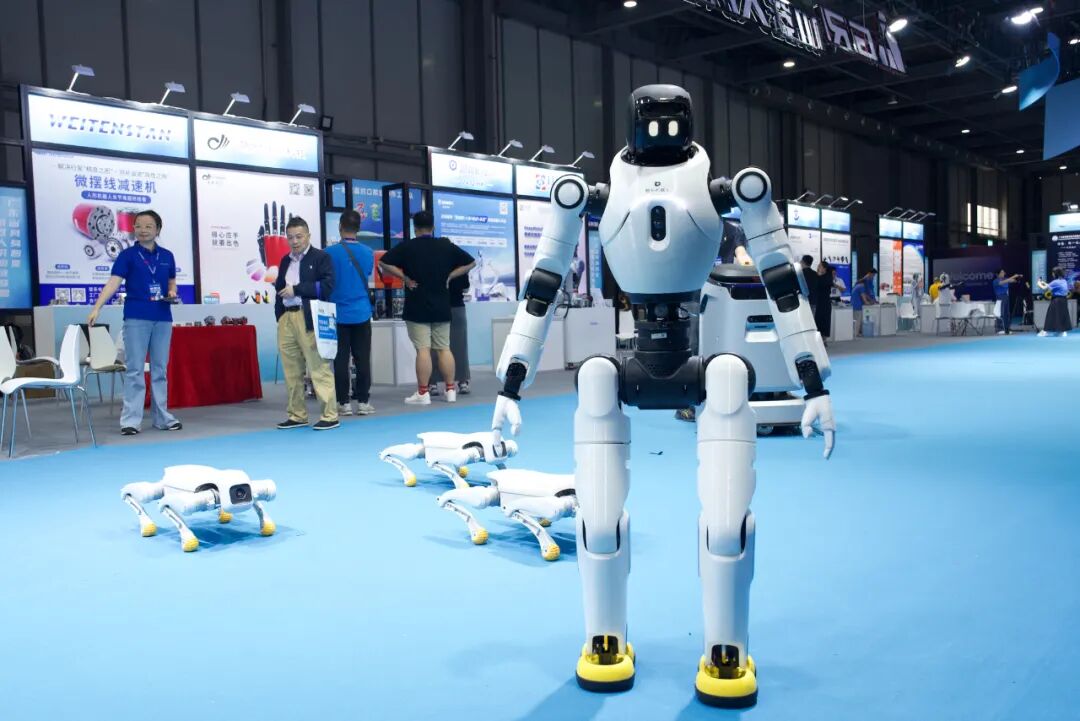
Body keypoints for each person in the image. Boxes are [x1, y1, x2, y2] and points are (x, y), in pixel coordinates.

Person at [87, 209, 182, 436]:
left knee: (160, 370)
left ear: (158, 229)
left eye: (148, 226)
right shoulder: (127, 255)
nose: (142, 230)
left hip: (162, 317)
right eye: (138, 226)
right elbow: (113, 283)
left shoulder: (167, 256)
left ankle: (162, 417)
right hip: (136, 317)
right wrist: (97, 307)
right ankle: (130, 420)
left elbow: (172, 281)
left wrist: (172, 291)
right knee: (135, 370)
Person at [379, 210, 476, 405]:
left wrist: (405, 278)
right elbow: (471, 262)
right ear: (433, 227)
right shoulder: (445, 246)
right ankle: (451, 390)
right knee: (444, 348)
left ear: (415, 228)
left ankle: (423, 393)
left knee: (423, 350)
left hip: (417, 304)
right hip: (442, 305)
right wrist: (450, 276)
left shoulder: (408, 246)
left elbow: (384, 262)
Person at [274, 216, 339, 430]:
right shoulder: (285, 260)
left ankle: (330, 415)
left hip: (310, 317)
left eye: (299, 236)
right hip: (287, 318)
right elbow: (279, 289)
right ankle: (297, 415)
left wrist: (297, 289)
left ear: (308, 236)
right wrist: (280, 316)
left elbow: (327, 286)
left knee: (318, 366)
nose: (294, 241)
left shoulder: (321, 257)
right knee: (291, 370)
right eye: (290, 237)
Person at [325, 209, 375, 416]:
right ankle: (363, 402)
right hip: (362, 313)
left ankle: (343, 403)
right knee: (362, 359)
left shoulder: (328, 253)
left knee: (340, 360)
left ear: (340, 227)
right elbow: (367, 275)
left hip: (337, 314)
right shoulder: (368, 252)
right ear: (358, 228)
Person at [430, 273, 472, 395]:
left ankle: (433, 383)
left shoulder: (434, 265)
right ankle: (462, 382)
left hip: (437, 307)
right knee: (459, 346)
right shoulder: (460, 266)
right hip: (455, 307)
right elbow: (465, 288)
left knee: (435, 346)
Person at [1038, 267, 1072, 337]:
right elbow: (1051, 285)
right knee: (1062, 315)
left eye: (1053, 272)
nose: (1052, 274)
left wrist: (1038, 283)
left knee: (1050, 315)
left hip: (1056, 300)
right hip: (1064, 300)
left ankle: (1045, 332)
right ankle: (1062, 332)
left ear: (1056, 273)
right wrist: (1044, 283)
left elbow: (1044, 288)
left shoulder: (1055, 282)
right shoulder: (1064, 281)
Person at [992, 269, 1022, 335]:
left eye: (1003, 272)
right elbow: (1003, 282)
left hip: (1006, 297)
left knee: (1007, 314)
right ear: (997, 274)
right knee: (1000, 314)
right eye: (1002, 272)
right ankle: (999, 329)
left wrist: (1018, 277)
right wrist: (1014, 276)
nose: (1004, 273)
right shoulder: (995, 281)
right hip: (1000, 298)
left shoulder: (1006, 279)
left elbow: (1013, 280)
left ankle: (1006, 329)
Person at [851, 269, 878, 337]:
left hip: (853, 304)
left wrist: (871, 300)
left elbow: (865, 295)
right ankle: (856, 334)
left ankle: (857, 333)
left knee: (856, 319)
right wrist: (868, 303)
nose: (873, 277)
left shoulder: (857, 286)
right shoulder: (862, 286)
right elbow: (863, 296)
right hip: (858, 305)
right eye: (873, 275)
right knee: (858, 320)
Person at [813, 261, 834, 340]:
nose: (818, 267)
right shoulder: (819, 276)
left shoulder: (827, 277)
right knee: (818, 320)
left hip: (825, 302)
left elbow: (821, 284)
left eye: (820, 266)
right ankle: (820, 339)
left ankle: (823, 339)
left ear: (824, 268)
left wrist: (818, 275)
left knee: (825, 320)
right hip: (819, 302)